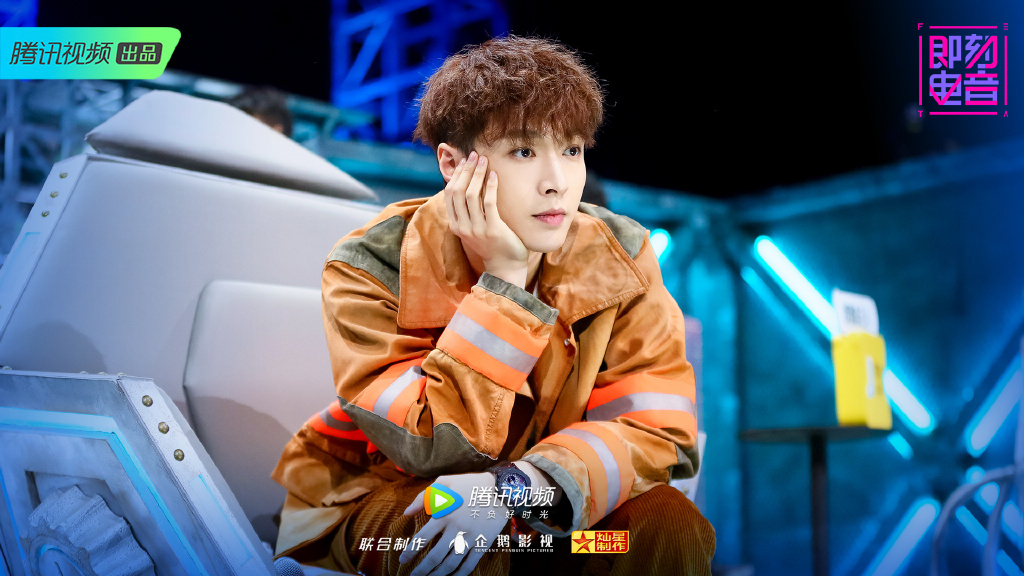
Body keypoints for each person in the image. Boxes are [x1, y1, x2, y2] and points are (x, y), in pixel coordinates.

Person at [272, 36, 715, 576]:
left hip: (546, 518)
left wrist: (514, 489)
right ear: (452, 164)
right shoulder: (372, 263)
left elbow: (657, 431)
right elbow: (435, 448)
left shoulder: (621, 253)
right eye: (524, 152)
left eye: (572, 149)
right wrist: (504, 282)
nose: (557, 183)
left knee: (667, 525)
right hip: (382, 500)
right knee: (457, 533)